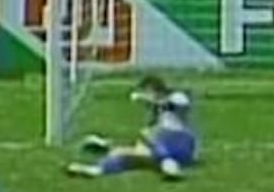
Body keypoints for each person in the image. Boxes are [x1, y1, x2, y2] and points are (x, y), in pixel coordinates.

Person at [67, 75, 198, 180]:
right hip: (168, 149)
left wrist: (154, 102)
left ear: (154, 89)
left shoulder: (174, 98)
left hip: (179, 142)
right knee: (128, 155)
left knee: (143, 140)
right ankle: (168, 165)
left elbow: (181, 104)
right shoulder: (156, 115)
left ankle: (99, 164)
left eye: (147, 91)